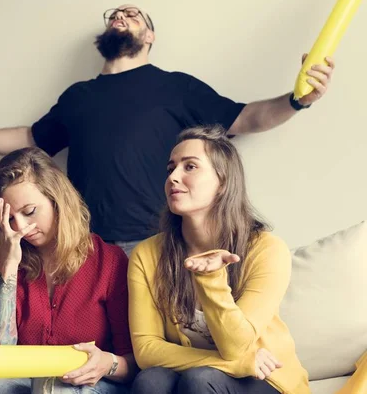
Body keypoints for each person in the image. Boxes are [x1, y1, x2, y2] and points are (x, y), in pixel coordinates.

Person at [0, 4, 335, 255]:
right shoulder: (78, 96)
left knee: (149, 350)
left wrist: (299, 99)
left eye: (132, 14)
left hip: (154, 241)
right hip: (86, 244)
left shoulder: (175, 86)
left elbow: (245, 118)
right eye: (114, 14)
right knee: (98, 351)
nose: (120, 16)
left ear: (150, 36)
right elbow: (32, 140)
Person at [127, 125, 309, 394]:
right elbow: (146, 350)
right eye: (171, 168)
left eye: (190, 167)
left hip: (265, 378)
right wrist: (234, 363)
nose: (173, 177)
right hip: (231, 366)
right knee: (150, 381)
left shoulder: (267, 250)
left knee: (200, 380)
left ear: (223, 182)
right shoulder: (147, 255)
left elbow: (238, 346)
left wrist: (211, 278)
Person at [0, 147, 135, 394]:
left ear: (57, 201)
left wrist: (108, 364)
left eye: (29, 212)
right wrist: (8, 266)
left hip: (93, 384)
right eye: (9, 219)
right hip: (28, 380)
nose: (22, 228)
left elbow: (133, 364)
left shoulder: (109, 262)